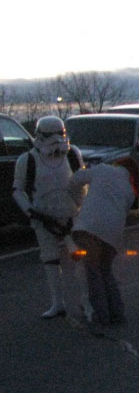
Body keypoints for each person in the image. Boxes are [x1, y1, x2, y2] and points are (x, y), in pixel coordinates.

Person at [12, 116, 87, 319]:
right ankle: (57, 303)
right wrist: (31, 212)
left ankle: (86, 303)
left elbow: (81, 181)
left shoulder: (72, 154)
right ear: (40, 136)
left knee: (79, 261)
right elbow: (18, 190)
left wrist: (82, 206)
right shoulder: (27, 160)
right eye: (50, 135)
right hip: (43, 218)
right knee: (51, 261)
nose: (56, 140)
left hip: (72, 216)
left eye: (59, 134)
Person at [68, 158, 139, 325]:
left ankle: (101, 315)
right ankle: (117, 313)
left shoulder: (103, 169)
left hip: (89, 228)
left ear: (118, 165)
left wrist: (79, 200)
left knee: (93, 273)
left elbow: (75, 179)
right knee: (106, 271)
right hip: (113, 235)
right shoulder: (129, 190)